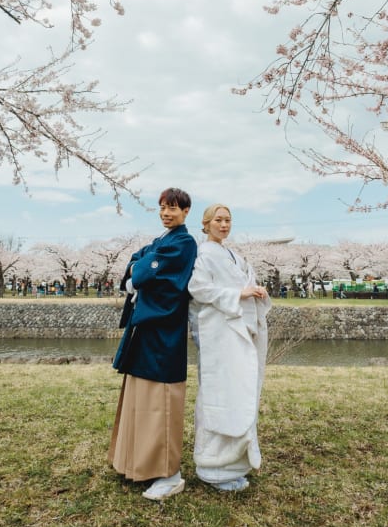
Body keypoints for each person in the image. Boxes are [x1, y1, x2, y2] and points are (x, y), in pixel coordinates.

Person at [109, 188, 197, 501]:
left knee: (161, 401)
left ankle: (169, 474)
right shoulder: (161, 242)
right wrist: (140, 269)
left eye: (173, 208)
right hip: (146, 329)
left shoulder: (184, 243)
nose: (166, 213)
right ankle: (139, 464)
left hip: (163, 331)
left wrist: (141, 271)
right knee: (142, 396)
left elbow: (145, 271)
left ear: (186, 211)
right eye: (162, 207)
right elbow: (136, 264)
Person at [187, 203, 271, 493]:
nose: (224, 225)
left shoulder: (233, 254)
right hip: (220, 333)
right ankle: (212, 466)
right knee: (219, 392)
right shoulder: (202, 253)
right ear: (207, 223)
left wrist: (255, 290)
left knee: (241, 388)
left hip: (239, 330)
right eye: (218, 220)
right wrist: (239, 293)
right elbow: (198, 290)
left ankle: (236, 460)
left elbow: (246, 284)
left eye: (228, 220)